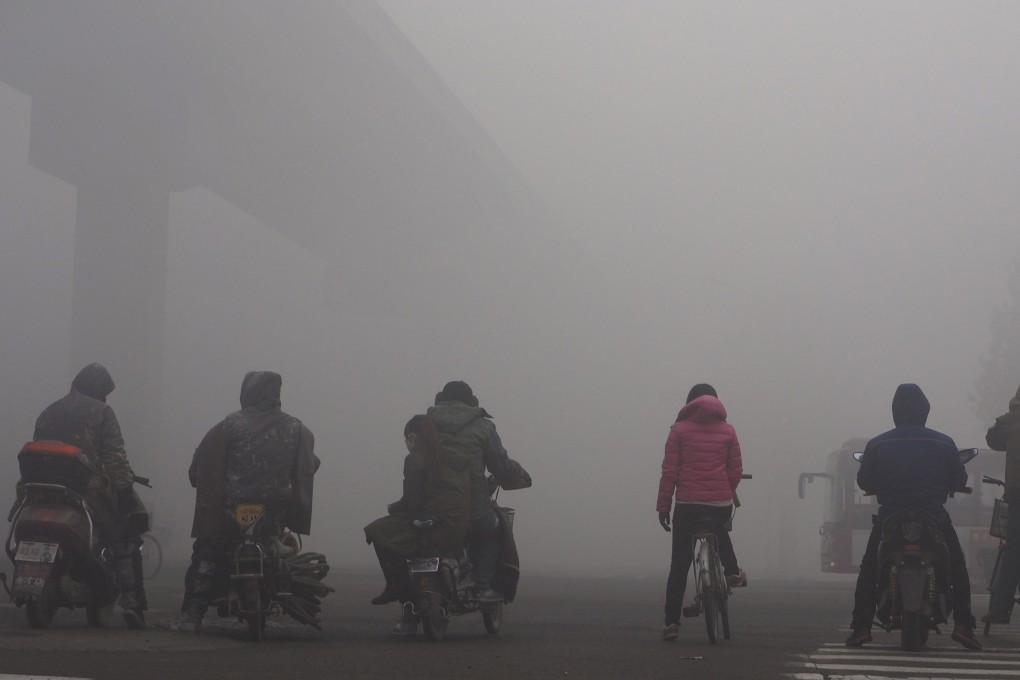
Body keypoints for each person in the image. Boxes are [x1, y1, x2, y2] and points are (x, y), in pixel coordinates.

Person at [174, 371, 319, 632]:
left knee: (207, 553)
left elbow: (199, 468)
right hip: (273, 514)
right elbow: (310, 466)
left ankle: (192, 615)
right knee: (276, 548)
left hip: (232, 512)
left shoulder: (229, 425)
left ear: (247, 393)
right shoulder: (296, 428)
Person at [845, 383, 982, 650]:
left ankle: (860, 627)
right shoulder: (944, 443)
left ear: (895, 412)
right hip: (934, 517)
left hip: (890, 517)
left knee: (870, 569)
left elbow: (864, 480)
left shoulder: (878, 443)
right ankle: (964, 625)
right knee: (956, 564)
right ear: (925, 411)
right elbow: (959, 477)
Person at [31, 363, 149, 629]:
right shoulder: (102, 412)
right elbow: (115, 459)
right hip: (86, 493)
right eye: (105, 392)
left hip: (41, 492)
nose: (106, 398)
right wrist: (126, 494)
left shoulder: (48, 411)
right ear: (97, 388)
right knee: (126, 537)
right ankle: (133, 605)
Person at [364, 414, 471, 635]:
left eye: (406, 439)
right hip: (458, 528)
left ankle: (398, 588)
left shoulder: (416, 458)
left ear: (412, 436)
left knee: (376, 530)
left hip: (434, 528)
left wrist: (393, 508)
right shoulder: (456, 457)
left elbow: (411, 502)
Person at [426, 380, 529, 604]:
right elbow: (501, 466)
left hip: (428, 506)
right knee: (493, 528)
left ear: (441, 399)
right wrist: (517, 472)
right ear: (471, 402)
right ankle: (482, 586)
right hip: (471, 507)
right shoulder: (483, 427)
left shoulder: (424, 424)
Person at [656, 383, 745, 642]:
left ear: (689, 403)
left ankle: (672, 623)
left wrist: (663, 506)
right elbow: (735, 471)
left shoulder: (678, 431)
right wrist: (726, 489)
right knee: (720, 528)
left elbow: (670, 472)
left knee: (680, 564)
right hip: (719, 502)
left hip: (686, 506)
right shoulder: (728, 431)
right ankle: (732, 572)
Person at [982, 384, 1020, 625]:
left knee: (1013, 550)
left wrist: (1010, 413)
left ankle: (1000, 608)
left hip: (1017, 495)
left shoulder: (1010, 422)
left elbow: (993, 440)